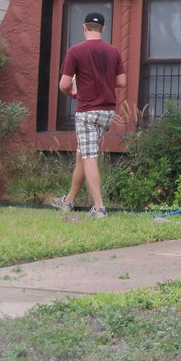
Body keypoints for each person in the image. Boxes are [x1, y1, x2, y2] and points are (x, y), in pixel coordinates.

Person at [52, 11, 126, 218]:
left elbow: (65, 84)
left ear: (84, 28)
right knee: (82, 155)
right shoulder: (113, 51)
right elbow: (121, 82)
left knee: (90, 156)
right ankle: (68, 201)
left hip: (87, 111)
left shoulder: (75, 51)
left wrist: (74, 91)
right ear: (103, 29)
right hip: (107, 111)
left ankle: (99, 208)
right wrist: (102, 81)